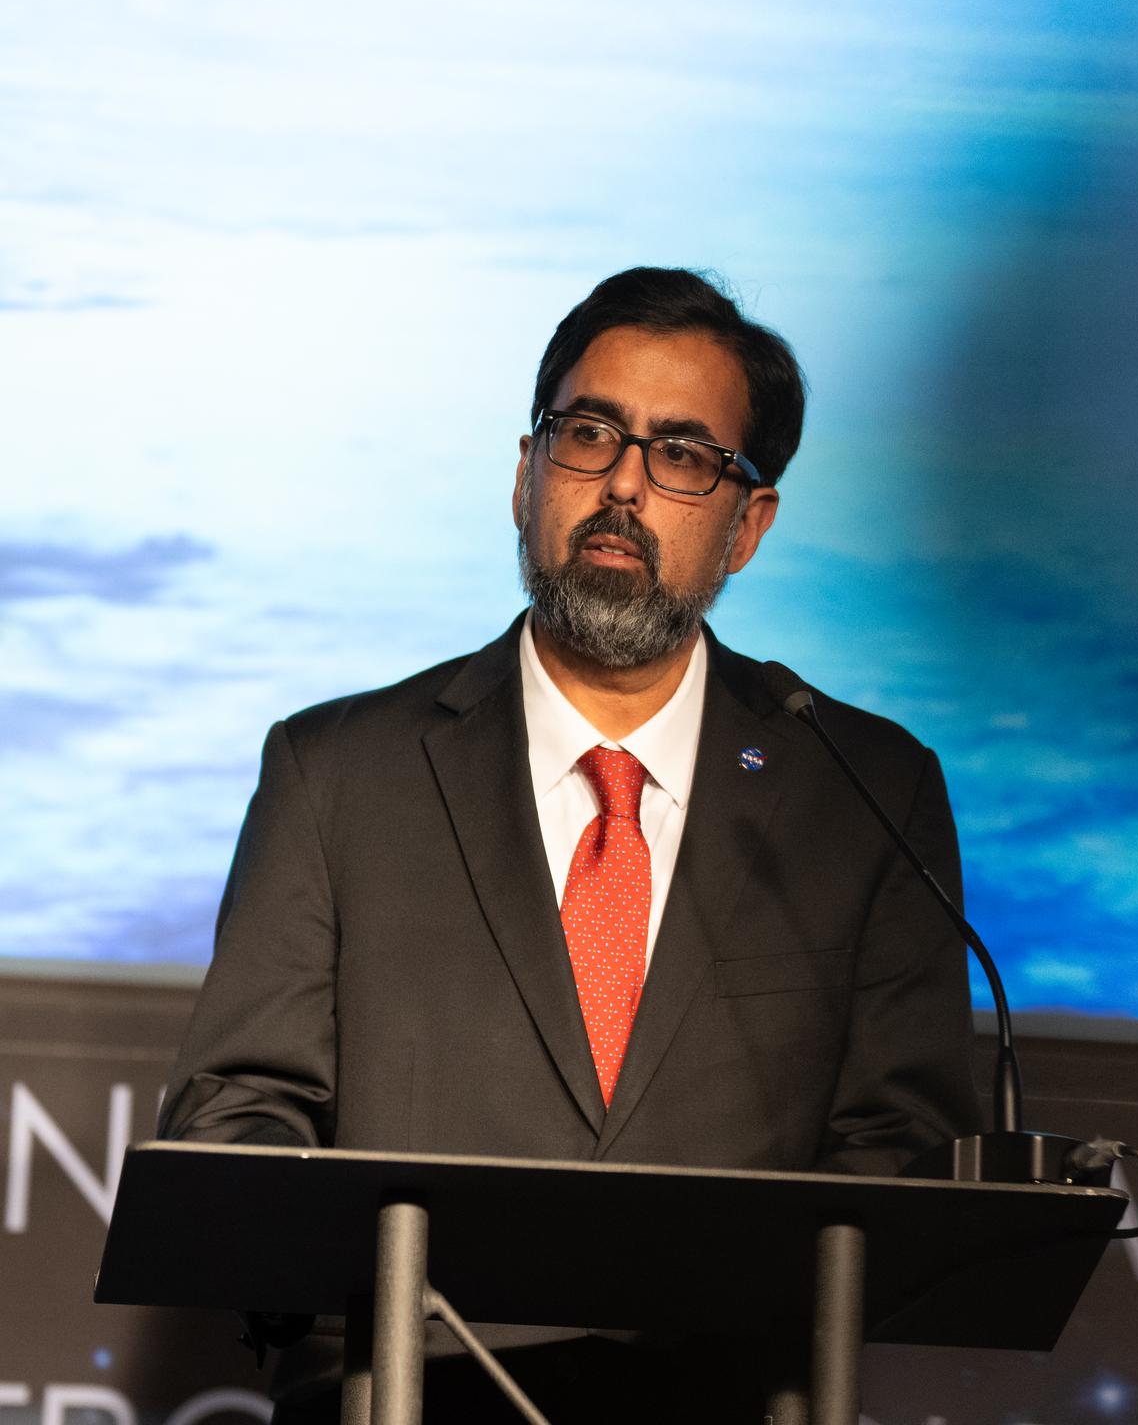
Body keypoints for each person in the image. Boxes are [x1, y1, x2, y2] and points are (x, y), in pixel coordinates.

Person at [160, 267, 980, 1421]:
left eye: (684, 455)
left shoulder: (866, 789)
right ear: (524, 474)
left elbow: (904, 1143)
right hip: (406, 1392)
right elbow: (239, 1109)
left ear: (748, 525)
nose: (626, 487)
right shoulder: (338, 770)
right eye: (590, 435)